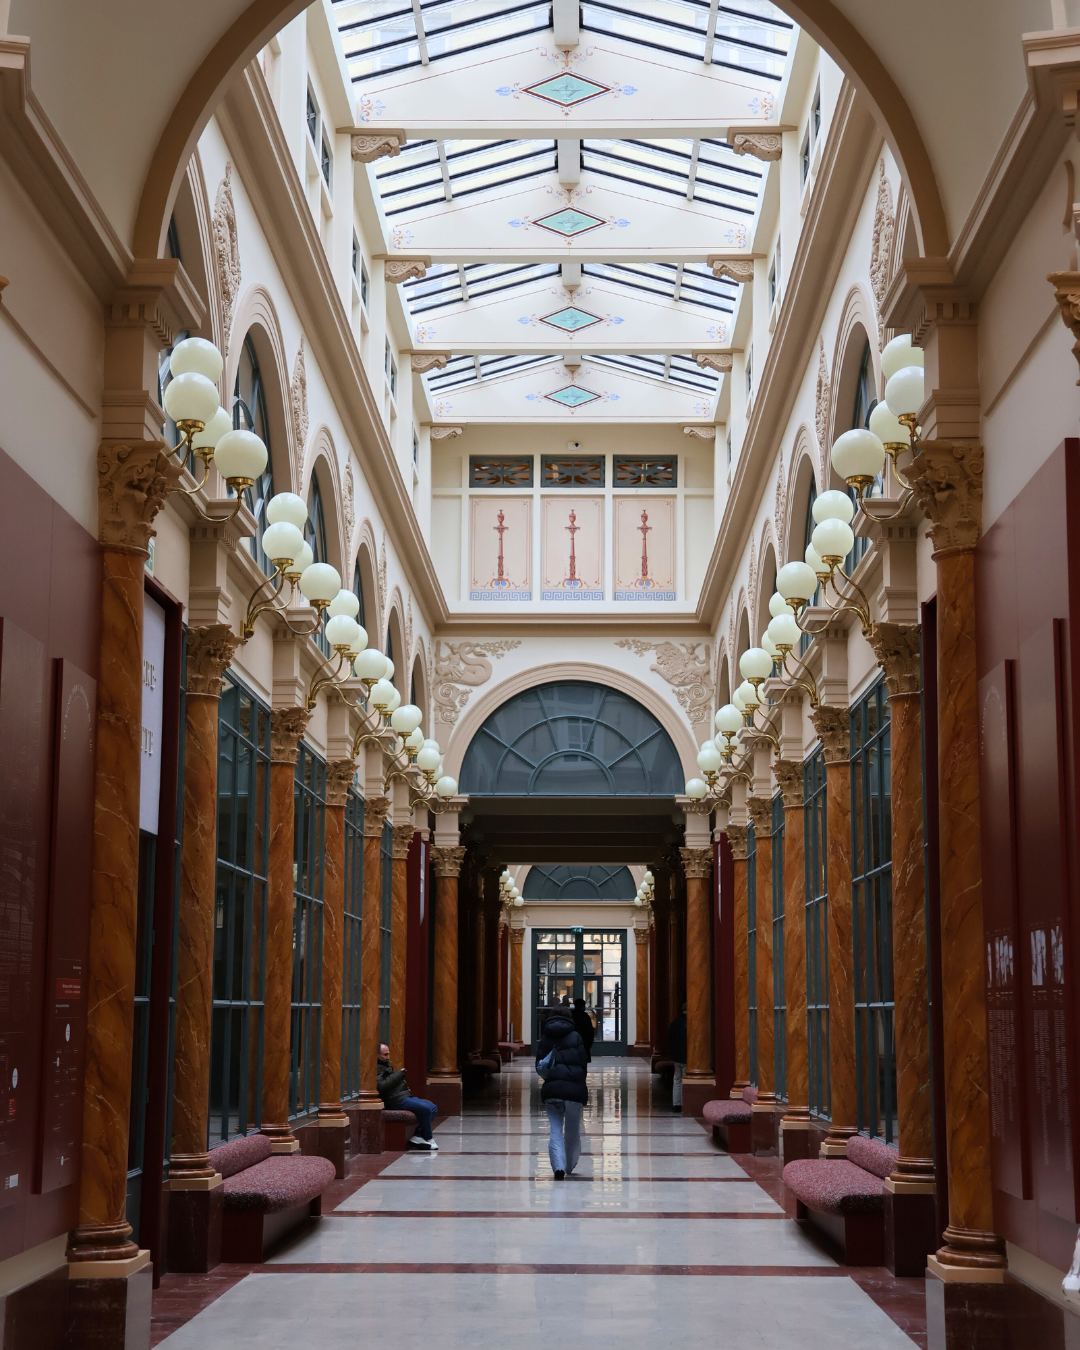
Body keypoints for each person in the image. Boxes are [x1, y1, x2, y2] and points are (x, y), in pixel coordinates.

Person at [535, 1010, 589, 1179]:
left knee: (556, 1130)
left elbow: (539, 1065)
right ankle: (569, 1165)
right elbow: (583, 1064)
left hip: (553, 1090)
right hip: (574, 1092)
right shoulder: (576, 1037)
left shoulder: (545, 1037)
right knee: (572, 1130)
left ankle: (558, 1166)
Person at [377, 1044, 440, 1150]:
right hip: (395, 1100)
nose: (388, 1057)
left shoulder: (385, 1066)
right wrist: (398, 1074)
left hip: (403, 1096)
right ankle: (428, 1137)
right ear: (376, 1055)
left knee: (433, 1107)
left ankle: (418, 1136)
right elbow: (381, 1086)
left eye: (388, 1054)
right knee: (426, 1109)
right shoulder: (376, 1068)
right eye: (385, 1055)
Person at [668, 1003, 687, 1113]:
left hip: (676, 1057)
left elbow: (670, 1040)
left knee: (677, 1080)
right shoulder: (689, 1023)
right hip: (686, 1057)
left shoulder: (675, 1022)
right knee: (685, 1080)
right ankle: (684, 1103)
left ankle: (676, 1104)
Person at [572, 997, 596, 1064]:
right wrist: (589, 1043)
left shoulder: (571, 1015)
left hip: (572, 1043)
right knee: (583, 1062)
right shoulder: (585, 1017)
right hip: (584, 1043)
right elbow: (590, 1031)